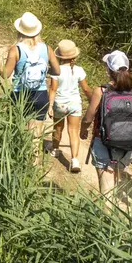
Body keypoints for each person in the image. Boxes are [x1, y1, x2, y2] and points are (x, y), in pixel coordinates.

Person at [86, 50, 132, 201]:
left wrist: (83, 130)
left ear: (108, 70)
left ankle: (106, 219)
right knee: (115, 179)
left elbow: (88, 117)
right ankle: (112, 216)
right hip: (127, 144)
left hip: (103, 142)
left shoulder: (101, 91)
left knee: (106, 187)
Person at [2, 12, 57, 142]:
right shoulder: (46, 48)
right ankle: (35, 161)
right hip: (41, 94)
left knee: (18, 132)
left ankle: (19, 160)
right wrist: (44, 70)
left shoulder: (15, 49)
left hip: (20, 95)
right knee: (36, 137)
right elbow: (57, 70)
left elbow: (6, 74)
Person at [47, 40, 97, 173]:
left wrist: (50, 105)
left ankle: (55, 150)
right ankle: (75, 160)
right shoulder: (79, 70)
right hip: (75, 104)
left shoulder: (56, 70)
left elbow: (53, 89)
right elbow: (86, 89)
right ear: (74, 56)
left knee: (58, 128)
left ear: (58, 56)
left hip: (60, 103)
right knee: (73, 131)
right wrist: (93, 101)